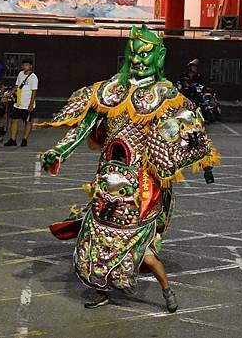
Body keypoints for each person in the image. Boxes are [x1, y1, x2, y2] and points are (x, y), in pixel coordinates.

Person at [40, 25, 219, 313]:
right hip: (106, 181)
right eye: (134, 53)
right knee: (97, 237)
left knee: (142, 248)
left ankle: (166, 291)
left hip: (141, 185)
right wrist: (58, 151)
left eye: (145, 55)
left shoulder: (165, 94)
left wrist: (205, 160)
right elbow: (85, 125)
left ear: (159, 57)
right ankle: (100, 289)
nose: (137, 60)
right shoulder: (110, 89)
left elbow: (188, 127)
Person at [4, 58, 38, 147]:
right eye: (23, 65)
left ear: (30, 66)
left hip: (28, 104)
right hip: (18, 103)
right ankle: (12, 139)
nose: (24, 67)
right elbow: (17, 85)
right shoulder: (20, 74)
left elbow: (34, 92)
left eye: (27, 65)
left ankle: (25, 139)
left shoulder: (33, 77)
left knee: (28, 122)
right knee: (14, 120)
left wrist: (31, 104)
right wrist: (11, 92)